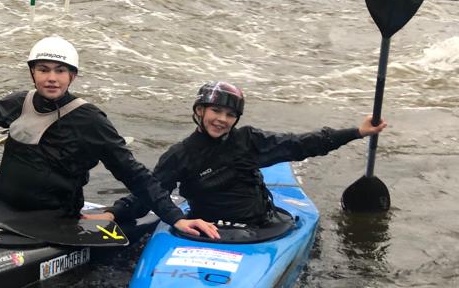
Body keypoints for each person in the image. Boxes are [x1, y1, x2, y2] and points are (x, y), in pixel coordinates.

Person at [0, 37, 217, 238]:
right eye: (43, 70)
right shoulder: (19, 102)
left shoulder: (90, 120)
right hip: (0, 203)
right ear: (33, 74)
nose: (51, 78)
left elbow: (133, 172)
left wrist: (175, 217)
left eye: (60, 71)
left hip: (51, 218)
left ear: (72, 77)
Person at [86, 81, 388, 227]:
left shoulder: (248, 140)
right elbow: (149, 193)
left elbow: (302, 144)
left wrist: (356, 132)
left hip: (261, 226)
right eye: (215, 110)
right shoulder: (180, 155)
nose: (222, 119)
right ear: (200, 111)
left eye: (230, 114)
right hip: (209, 228)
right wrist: (114, 212)